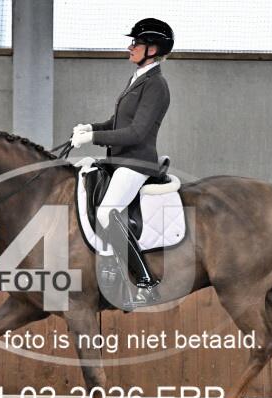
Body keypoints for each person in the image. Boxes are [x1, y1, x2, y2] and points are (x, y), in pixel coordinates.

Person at [71, 18, 174, 307]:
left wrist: (93, 137)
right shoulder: (138, 78)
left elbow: (137, 132)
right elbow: (117, 123)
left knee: (107, 213)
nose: (130, 47)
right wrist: (90, 127)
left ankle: (146, 282)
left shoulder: (156, 85)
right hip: (120, 161)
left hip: (137, 163)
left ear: (152, 49)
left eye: (136, 43)